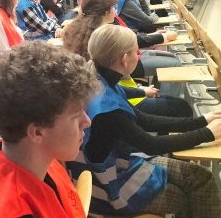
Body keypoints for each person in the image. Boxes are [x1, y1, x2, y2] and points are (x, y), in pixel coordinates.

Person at [67, 24, 221, 217]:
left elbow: (145, 120)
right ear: (125, 59)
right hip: (108, 185)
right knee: (187, 196)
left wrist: (203, 120)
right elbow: (151, 144)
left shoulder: (100, 78)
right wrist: (207, 133)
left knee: (200, 176)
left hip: (118, 164)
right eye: (136, 52)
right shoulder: (107, 110)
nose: (139, 55)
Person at [0, 41, 97, 217]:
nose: (87, 122)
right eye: (75, 116)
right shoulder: (11, 211)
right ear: (37, 132)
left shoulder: (39, 160)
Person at [63, 0, 192, 118]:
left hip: (121, 89)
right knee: (181, 105)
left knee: (172, 65)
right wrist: (140, 90)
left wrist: (140, 90)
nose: (115, 10)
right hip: (125, 97)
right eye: (113, 7)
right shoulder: (103, 35)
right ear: (106, 12)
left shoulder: (89, 31)